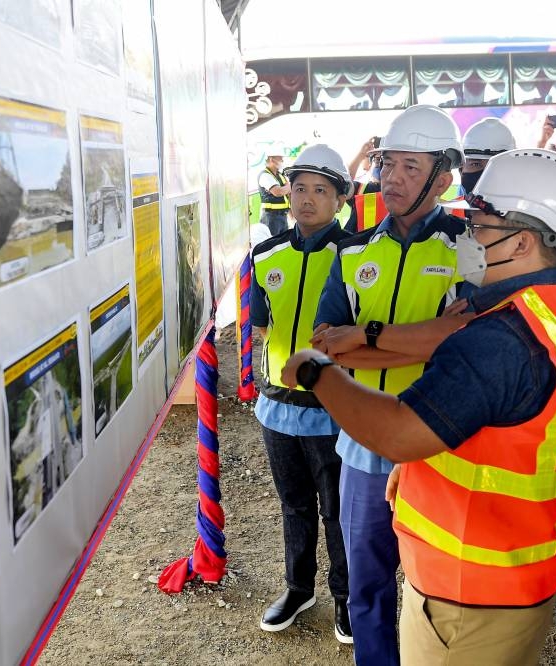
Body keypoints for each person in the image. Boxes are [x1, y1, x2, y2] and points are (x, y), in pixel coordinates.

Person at [285, 148, 556, 665]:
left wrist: (313, 372)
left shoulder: (503, 337)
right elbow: (497, 432)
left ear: (521, 241)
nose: (468, 240)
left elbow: (397, 433)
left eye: (479, 227)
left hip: (467, 590)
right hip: (514, 563)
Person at [310, 104, 466, 666]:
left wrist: (362, 337)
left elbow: (459, 340)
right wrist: (416, 336)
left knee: (439, 587)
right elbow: (325, 341)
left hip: (437, 444)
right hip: (362, 442)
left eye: (409, 166)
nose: (391, 178)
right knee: (366, 582)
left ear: (442, 178)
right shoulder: (352, 250)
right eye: (387, 163)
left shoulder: (467, 248)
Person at [250, 144, 354, 643]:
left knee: (336, 508)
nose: (307, 199)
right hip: (277, 407)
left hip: (333, 409)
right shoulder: (266, 253)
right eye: (299, 188)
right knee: (293, 504)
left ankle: (345, 598)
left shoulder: (355, 254)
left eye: (321, 190)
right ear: (285, 192)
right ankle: (298, 588)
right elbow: (262, 327)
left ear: (339, 199)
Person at [458, 116, 516, 195]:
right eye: (475, 164)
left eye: (497, 165)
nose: (485, 176)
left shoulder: (529, 206)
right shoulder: (451, 207)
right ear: (461, 169)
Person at [259, 147, 291, 236]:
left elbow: (288, 193)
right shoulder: (265, 175)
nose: (282, 160)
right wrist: (289, 186)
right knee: (272, 246)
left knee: (282, 245)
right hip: (270, 218)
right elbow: (278, 192)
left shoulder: (280, 175)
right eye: (280, 158)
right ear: (271, 159)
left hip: (282, 216)